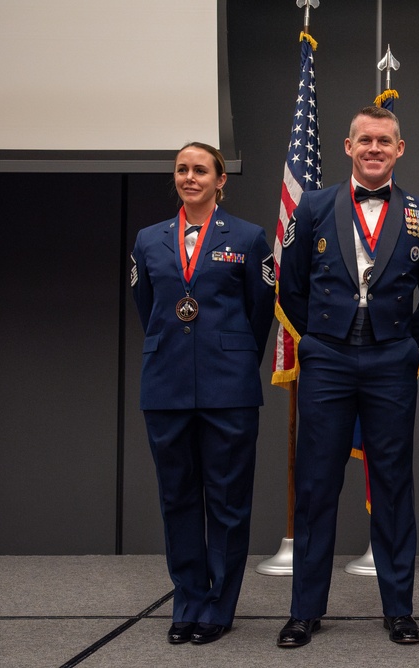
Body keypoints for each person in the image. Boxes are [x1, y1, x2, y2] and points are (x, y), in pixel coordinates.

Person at [275, 106, 419, 648]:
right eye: (365, 140)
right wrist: (322, 339)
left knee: (394, 485)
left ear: (401, 149)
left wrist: (399, 343)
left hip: (391, 364)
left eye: (385, 141)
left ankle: (399, 609)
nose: (374, 148)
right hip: (326, 360)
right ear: (348, 147)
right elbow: (291, 285)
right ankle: (305, 610)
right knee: (316, 485)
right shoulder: (315, 204)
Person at [131, 142, 275, 645]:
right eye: (182, 170)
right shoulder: (148, 240)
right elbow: (146, 305)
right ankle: (188, 600)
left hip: (229, 388)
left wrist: (233, 361)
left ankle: (219, 606)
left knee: (229, 503)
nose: (190, 177)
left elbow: (261, 313)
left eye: (200, 170)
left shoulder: (250, 237)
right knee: (178, 499)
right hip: (166, 386)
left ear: (220, 180)